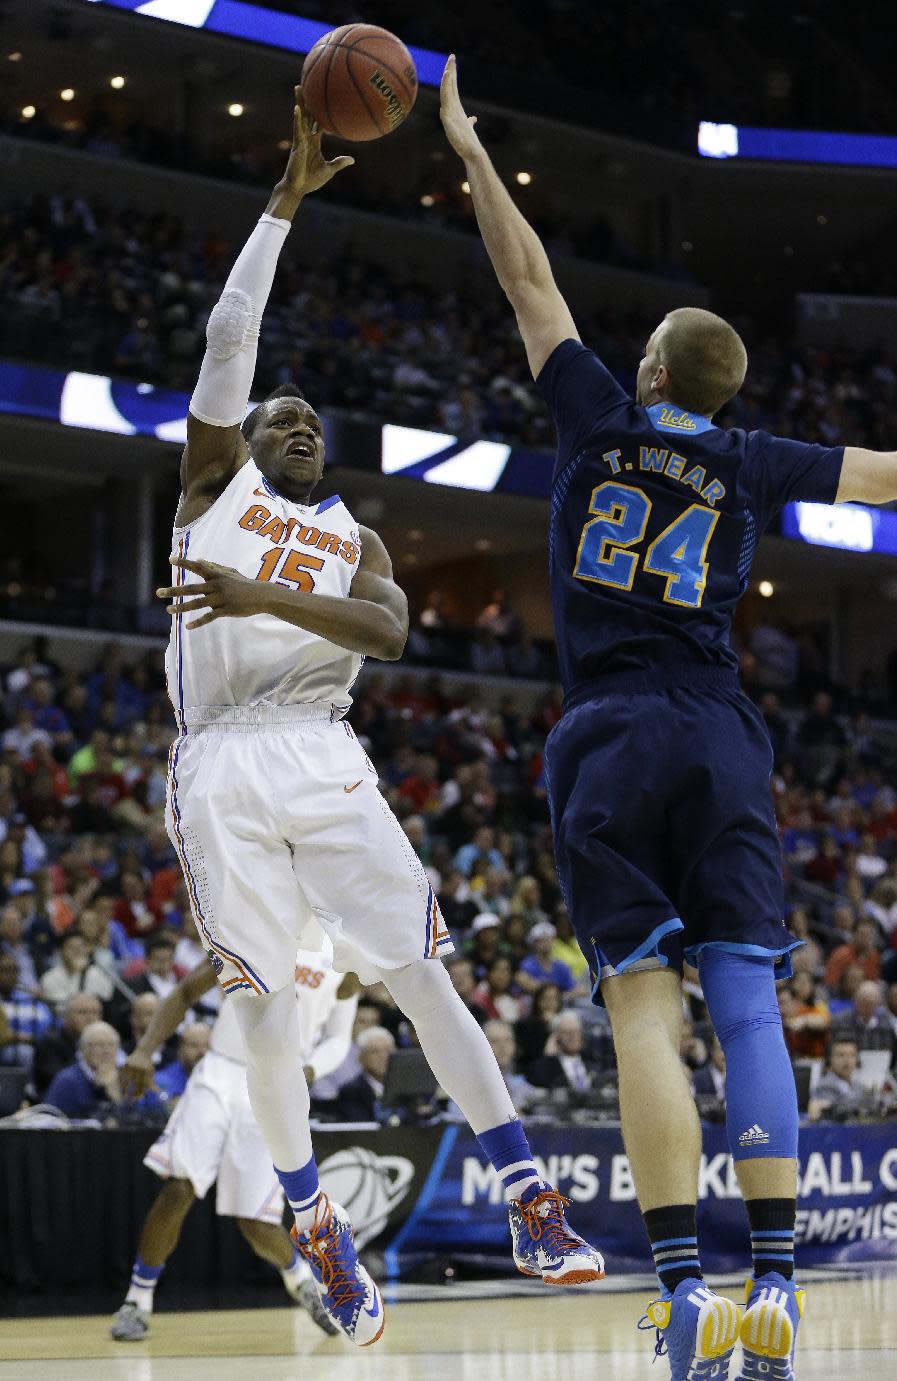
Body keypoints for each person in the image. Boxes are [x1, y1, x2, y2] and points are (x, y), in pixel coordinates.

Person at [440, 52, 897, 1380]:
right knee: (747, 1005)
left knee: (643, 1011)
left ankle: (686, 1294)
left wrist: (470, 151)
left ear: (644, 364)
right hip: (714, 722)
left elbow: (527, 280)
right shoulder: (752, 454)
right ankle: (775, 1295)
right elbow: (880, 475)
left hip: (605, 729)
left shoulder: (590, 412)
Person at [152, 90, 602, 1346]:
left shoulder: (355, 538)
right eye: (276, 417)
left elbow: (392, 633)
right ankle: (310, 1223)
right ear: (249, 440)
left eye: (310, 422)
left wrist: (254, 588)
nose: (293, 425)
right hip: (222, 764)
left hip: (322, 749)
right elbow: (231, 333)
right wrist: (285, 202)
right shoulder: (210, 484)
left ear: (324, 451)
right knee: (264, 1018)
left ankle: (526, 1189)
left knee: (419, 967)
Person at [111, 943, 355, 1342]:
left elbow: (339, 1040)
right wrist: (143, 1051)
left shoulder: (341, 954)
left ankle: (301, 1282)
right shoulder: (245, 931)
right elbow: (187, 990)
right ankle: (137, 1301)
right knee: (178, 1187)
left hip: (275, 1083)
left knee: (255, 1222)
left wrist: (311, 1067)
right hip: (221, 1072)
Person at [44, 1020, 162, 1119]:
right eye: (99, 1045)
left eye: (111, 1045)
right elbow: (53, 1120)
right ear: (84, 1049)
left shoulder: (129, 1078)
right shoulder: (67, 1081)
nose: (106, 1051)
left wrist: (114, 1095)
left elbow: (140, 1120)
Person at [32, 991, 103, 1098]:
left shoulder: (106, 1042)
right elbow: (60, 1081)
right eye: (83, 1012)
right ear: (66, 1016)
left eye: (95, 1012)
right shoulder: (50, 1042)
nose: (90, 1018)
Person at [327, 1025, 395, 1123]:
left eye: (388, 1050)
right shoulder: (350, 1092)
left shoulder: (406, 1087)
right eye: (374, 1052)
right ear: (361, 1058)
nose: (383, 1057)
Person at [807, 1035, 867, 1120]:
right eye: (840, 1055)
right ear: (830, 1059)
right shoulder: (824, 1087)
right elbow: (836, 1111)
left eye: (852, 1055)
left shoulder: (859, 1086)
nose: (847, 1060)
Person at [154, 1023, 211, 1100]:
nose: (202, 1051)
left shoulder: (220, 1081)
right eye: (194, 1045)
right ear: (180, 1048)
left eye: (207, 1045)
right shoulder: (160, 1082)